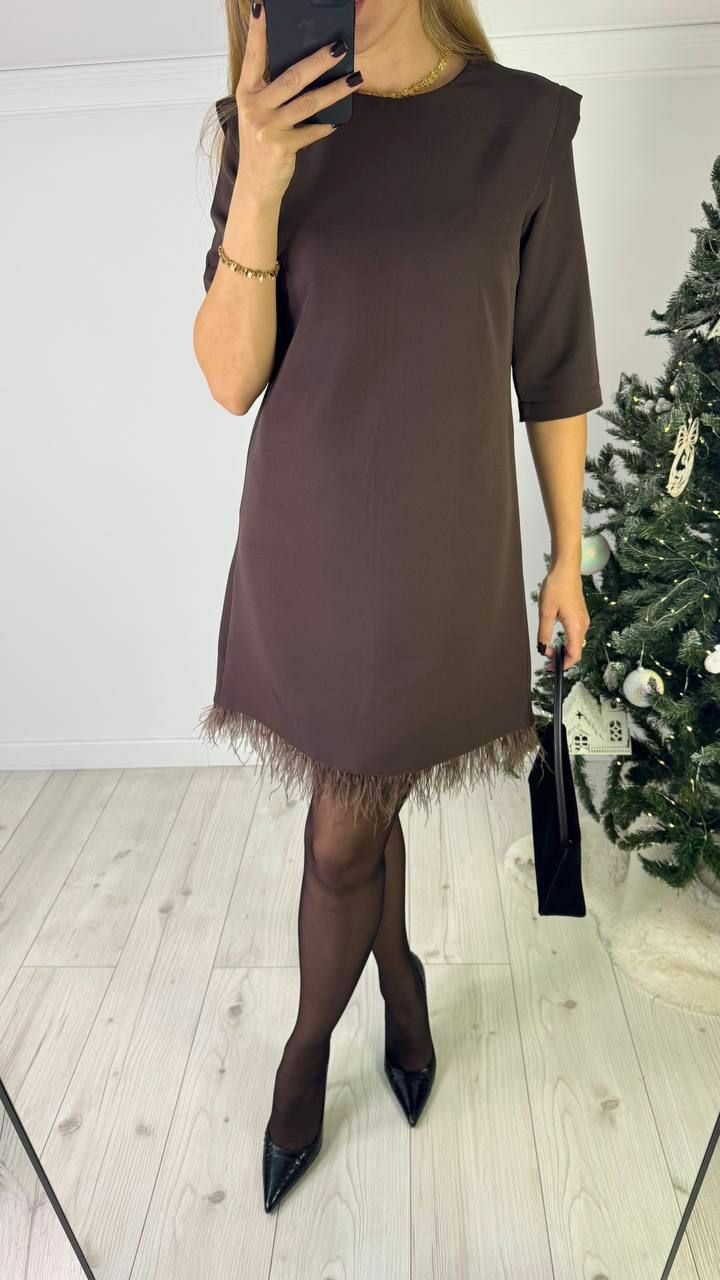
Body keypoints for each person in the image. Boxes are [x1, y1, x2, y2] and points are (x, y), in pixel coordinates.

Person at [193, 0, 602, 1214]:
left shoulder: (522, 127)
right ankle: (337, 1027)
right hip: (311, 545)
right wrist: (261, 178)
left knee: (358, 809)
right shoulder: (265, 126)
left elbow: (554, 363)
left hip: (445, 548)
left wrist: (568, 556)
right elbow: (229, 379)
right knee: (351, 819)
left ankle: (371, 1000)